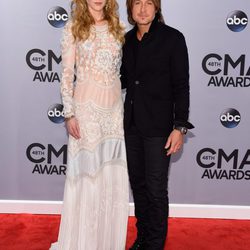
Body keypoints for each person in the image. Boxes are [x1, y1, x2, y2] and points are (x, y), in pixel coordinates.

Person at [50, 0, 129, 249]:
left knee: (110, 176)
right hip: (86, 114)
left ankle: (107, 242)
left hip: (114, 114)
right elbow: (66, 75)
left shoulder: (120, 27)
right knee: (87, 178)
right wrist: (69, 113)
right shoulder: (73, 27)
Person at [120, 0, 194, 249]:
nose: (142, 8)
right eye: (137, 3)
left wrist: (180, 126)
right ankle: (142, 239)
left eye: (148, 2)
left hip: (159, 129)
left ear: (157, 7)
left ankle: (154, 245)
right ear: (130, 9)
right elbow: (121, 79)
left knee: (155, 189)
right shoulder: (126, 41)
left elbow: (181, 86)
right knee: (139, 187)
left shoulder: (173, 39)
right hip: (130, 127)